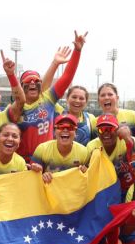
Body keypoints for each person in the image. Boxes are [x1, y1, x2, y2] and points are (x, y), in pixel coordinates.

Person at [31, 114, 89, 244]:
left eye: (70, 128)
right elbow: (31, 176)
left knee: (70, 241)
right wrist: (40, 174)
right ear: (54, 130)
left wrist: (86, 170)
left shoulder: (83, 152)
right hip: (48, 204)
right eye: (61, 127)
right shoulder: (43, 149)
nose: (65, 130)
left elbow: (91, 177)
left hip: (72, 204)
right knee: (47, 239)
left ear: (75, 132)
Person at [86, 114, 135, 244]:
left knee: (128, 234)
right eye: (102, 129)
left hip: (128, 192)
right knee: (96, 230)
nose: (106, 133)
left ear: (117, 130)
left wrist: (128, 140)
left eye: (110, 129)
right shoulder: (92, 146)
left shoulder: (127, 141)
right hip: (105, 194)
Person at [15, 31, 87, 162]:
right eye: (28, 81)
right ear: (20, 87)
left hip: (47, 160)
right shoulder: (14, 108)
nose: (33, 83)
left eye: (37, 80)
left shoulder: (47, 99)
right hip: (22, 162)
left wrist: (77, 51)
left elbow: (67, 76)